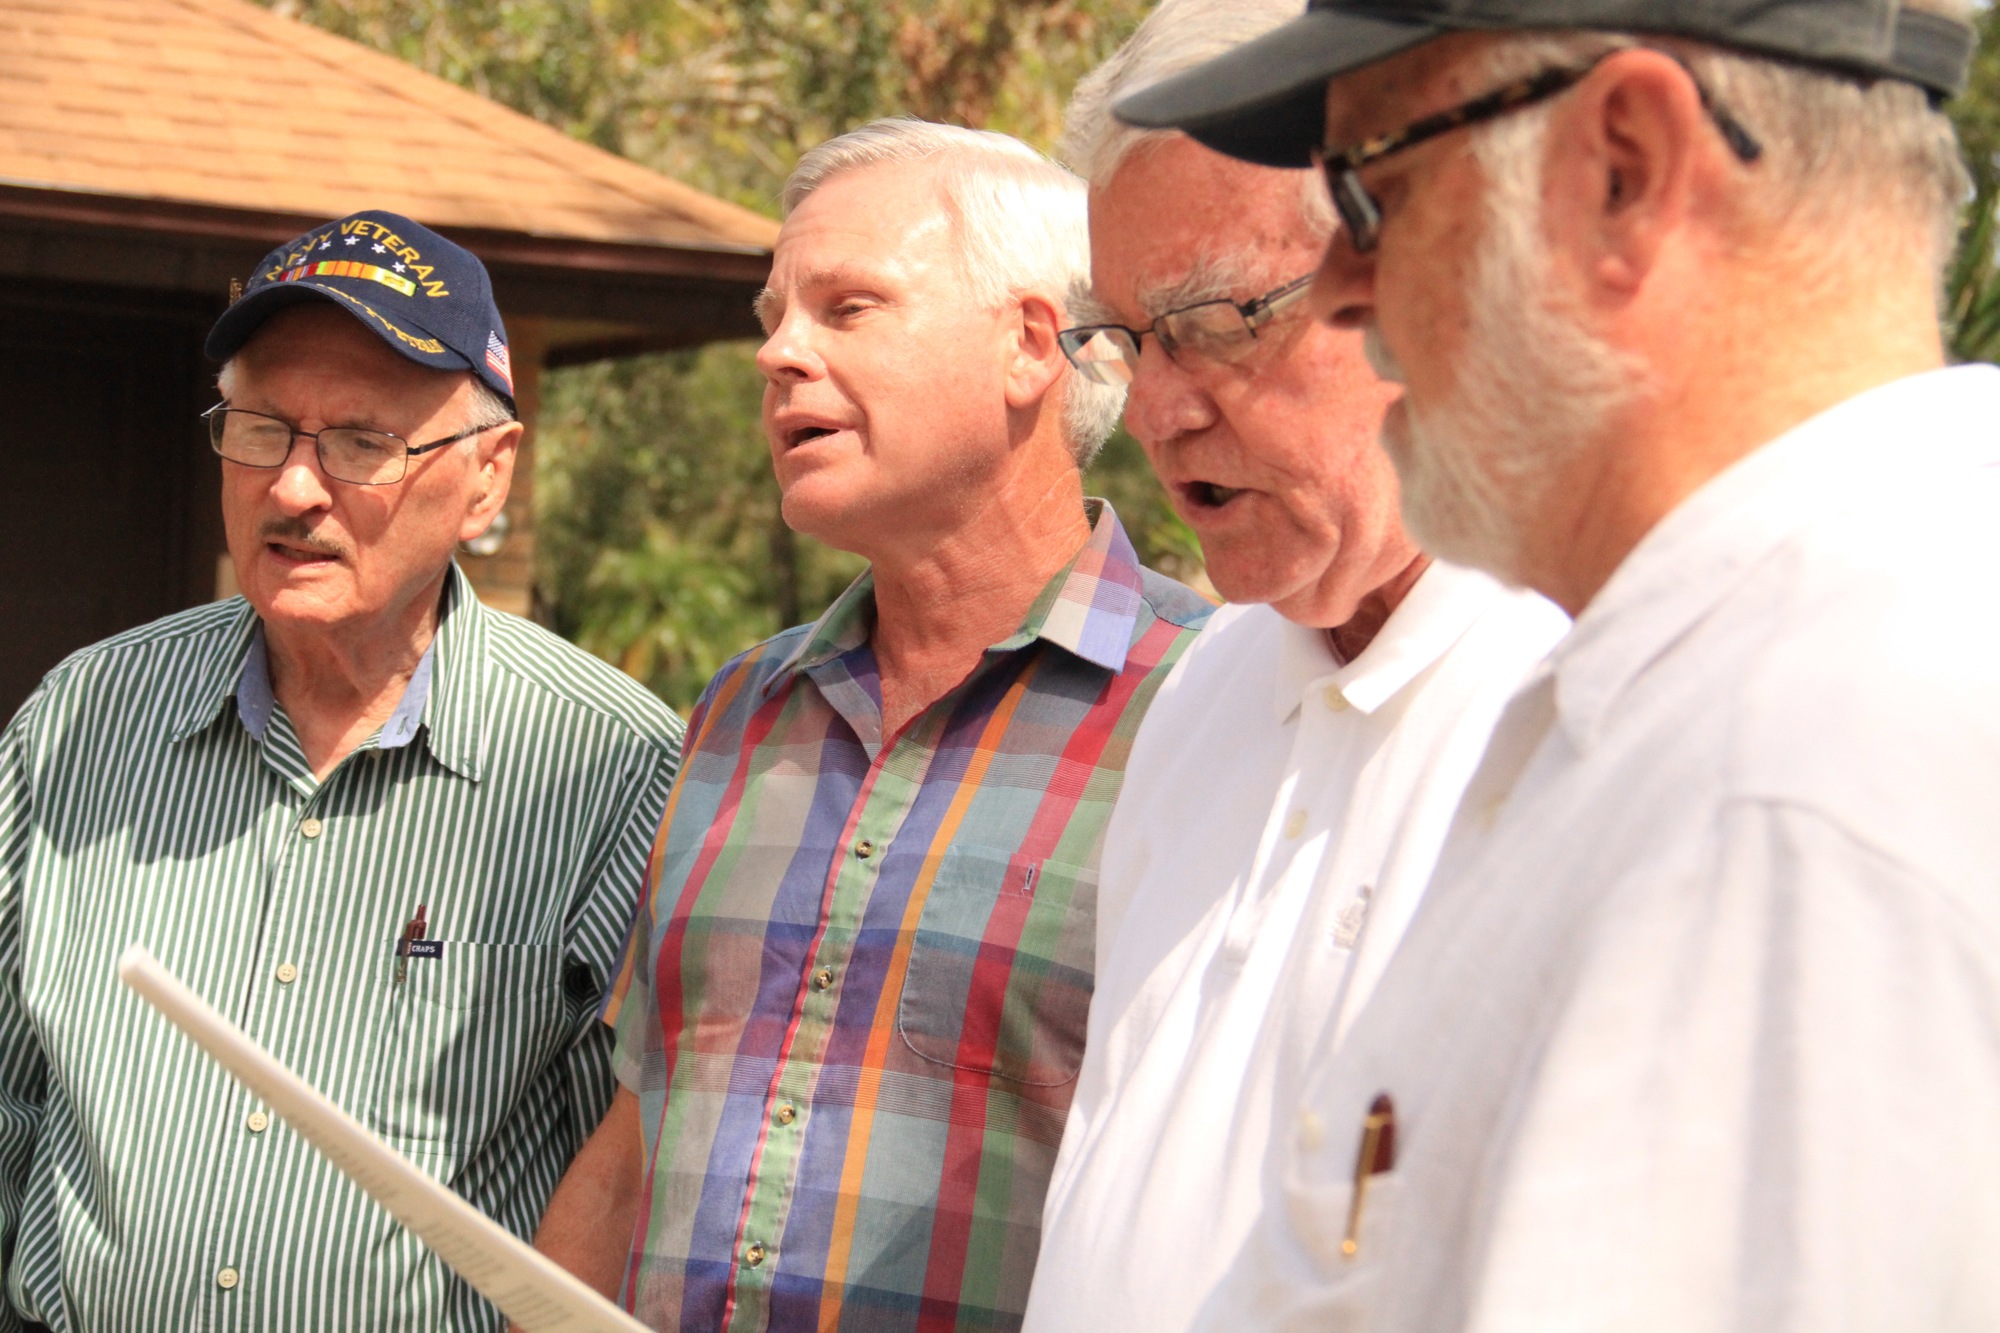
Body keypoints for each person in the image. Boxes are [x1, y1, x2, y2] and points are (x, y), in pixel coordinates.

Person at [1115, 0, 2000, 1328]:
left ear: (1625, 167)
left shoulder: (1811, 769)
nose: (1348, 289)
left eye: (1373, 188)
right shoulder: (1760, 675)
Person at [528, 120, 1212, 1331]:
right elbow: (638, 1137)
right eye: (770, 317)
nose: (778, 355)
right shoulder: (741, 713)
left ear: (1028, 344)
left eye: (846, 309)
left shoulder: (1210, 715)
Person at [0, 210, 685, 1331]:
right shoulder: (86, 717)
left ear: (486, 475)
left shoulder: (609, 766)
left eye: (361, 443)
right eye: (262, 429)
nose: (293, 489)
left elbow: (641, 1161)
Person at [1021, 4, 1567, 1331]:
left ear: (1423, 270)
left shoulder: (1581, 695)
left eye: (1218, 321)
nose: (1158, 410)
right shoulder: (1205, 687)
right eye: (1129, 337)